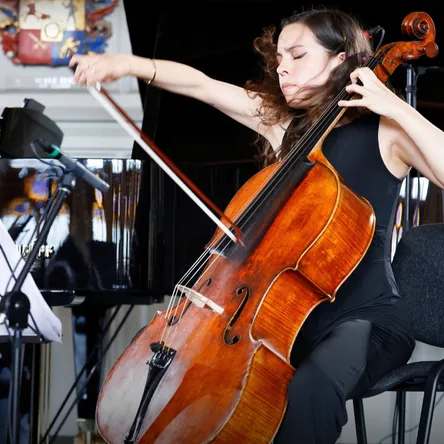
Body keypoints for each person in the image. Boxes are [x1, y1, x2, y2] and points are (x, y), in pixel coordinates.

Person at [70, 7, 444, 444]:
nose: (282, 68)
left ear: (340, 59)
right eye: (279, 58)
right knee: (211, 388)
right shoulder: (288, 129)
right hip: (282, 321)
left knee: (312, 387)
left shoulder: (386, 131)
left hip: (365, 320)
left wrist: (395, 106)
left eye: (297, 55)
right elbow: (204, 86)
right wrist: (127, 65)